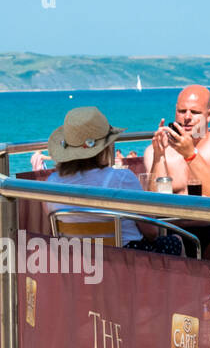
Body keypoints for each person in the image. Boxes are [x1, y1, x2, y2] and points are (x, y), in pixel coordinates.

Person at [41, 107, 182, 254]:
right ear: (105, 147)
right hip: (125, 262)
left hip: (77, 262)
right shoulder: (121, 179)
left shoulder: (51, 185)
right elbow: (151, 233)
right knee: (176, 240)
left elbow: (53, 234)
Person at [141, 85, 210, 259]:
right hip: (171, 230)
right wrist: (159, 156)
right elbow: (154, 201)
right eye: (182, 111)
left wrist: (190, 155)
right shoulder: (156, 150)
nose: (187, 117)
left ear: (208, 115)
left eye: (194, 112)